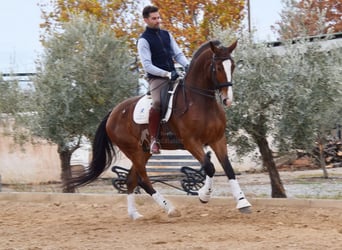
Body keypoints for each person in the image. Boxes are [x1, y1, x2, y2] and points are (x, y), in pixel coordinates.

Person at [137, 5, 189, 154]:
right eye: (154, 18)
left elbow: (177, 54)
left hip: (174, 74)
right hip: (157, 79)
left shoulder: (167, 35)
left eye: (158, 17)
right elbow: (147, 66)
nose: (157, 20)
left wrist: (187, 65)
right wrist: (166, 74)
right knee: (158, 102)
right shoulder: (143, 41)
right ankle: (154, 139)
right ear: (146, 20)